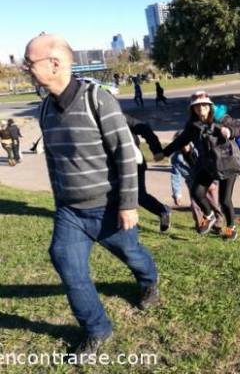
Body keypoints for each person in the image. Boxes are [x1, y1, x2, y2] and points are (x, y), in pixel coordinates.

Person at [23, 34, 159, 359]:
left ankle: (148, 280)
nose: (26, 68)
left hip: (109, 208)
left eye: (30, 62)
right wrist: (59, 204)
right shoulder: (44, 109)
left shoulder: (97, 99)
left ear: (54, 63)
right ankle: (97, 329)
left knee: (132, 254)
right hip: (70, 212)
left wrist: (128, 204)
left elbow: (126, 153)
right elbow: (54, 160)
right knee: (66, 263)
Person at [159, 91, 240, 241]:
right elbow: (180, 141)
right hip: (208, 164)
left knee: (225, 200)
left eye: (204, 106)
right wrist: (164, 153)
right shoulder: (192, 125)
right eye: (197, 107)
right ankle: (209, 215)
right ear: (193, 109)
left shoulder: (222, 119)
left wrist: (231, 131)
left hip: (228, 163)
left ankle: (230, 229)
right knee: (197, 192)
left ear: (210, 106)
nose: (201, 109)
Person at [124, 114, 171, 232]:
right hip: (111, 166)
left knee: (140, 196)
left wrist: (156, 150)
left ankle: (162, 210)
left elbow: (144, 128)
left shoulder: (119, 116)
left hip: (134, 162)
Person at [170, 132, 224, 233]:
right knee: (195, 205)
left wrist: (215, 180)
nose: (185, 147)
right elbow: (175, 177)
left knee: (214, 203)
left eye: (186, 143)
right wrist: (177, 194)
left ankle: (218, 224)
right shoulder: (176, 159)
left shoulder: (200, 149)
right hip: (193, 183)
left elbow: (213, 162)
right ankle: (201, 225)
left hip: (208, 181)